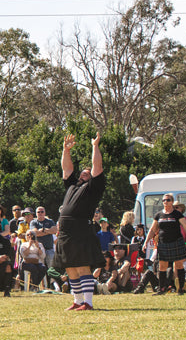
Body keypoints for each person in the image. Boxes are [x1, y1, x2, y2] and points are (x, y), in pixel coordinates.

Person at [55, 132, 105, 311]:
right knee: (70, 268)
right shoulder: (72, 186)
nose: (84, 174)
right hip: (66, 232)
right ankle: (77, 300)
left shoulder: (93, 188)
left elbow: (97, 166)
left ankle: (88, 303)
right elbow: (66, 169)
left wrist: (95, 146)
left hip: (81, 230)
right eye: (82, 173)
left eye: (87, 173)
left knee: (83, 267)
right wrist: (65, 150)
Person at [144, 192, 186, 295]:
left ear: (172, 202)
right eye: (164, 200)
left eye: (168, 200)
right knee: (162, 266)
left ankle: (181, 289)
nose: (165, 202)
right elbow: (152, 229)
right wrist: (146, 242)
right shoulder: (159, 215)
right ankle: (161, 289)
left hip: (176, 241)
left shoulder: (177, 214)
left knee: (179, 265)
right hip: (163, 242)